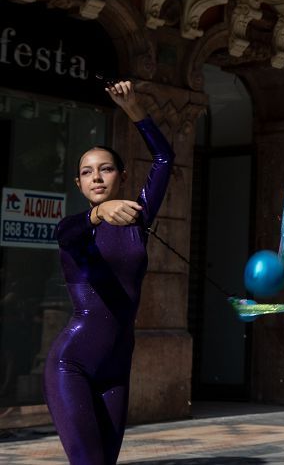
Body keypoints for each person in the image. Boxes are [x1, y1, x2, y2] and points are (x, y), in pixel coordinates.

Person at [43, 81, 174, 464]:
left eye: (105, 169)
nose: (96, 177)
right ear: (79, 183)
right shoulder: (75, 227)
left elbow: (164, 159)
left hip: (117, 368)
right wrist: (98, 213)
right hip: (72, 364)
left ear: (121, 175)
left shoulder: (137, 218)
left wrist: (135, 110)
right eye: (87, 172)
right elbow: (67, 233)